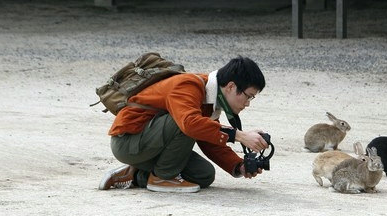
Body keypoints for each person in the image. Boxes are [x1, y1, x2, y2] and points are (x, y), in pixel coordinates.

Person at [98, 56, 269, 193]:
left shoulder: (210, 96)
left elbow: (209, 138)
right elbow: (190, 125)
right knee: (188, 121)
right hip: (128, 143)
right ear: (231, 86)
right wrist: (240, 135)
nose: (248, 103)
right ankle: (162, 178)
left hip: (148, 144)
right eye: (248, 96)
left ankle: (136, 175)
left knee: (203, 175)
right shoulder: (189, 85)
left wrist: (239, 166)